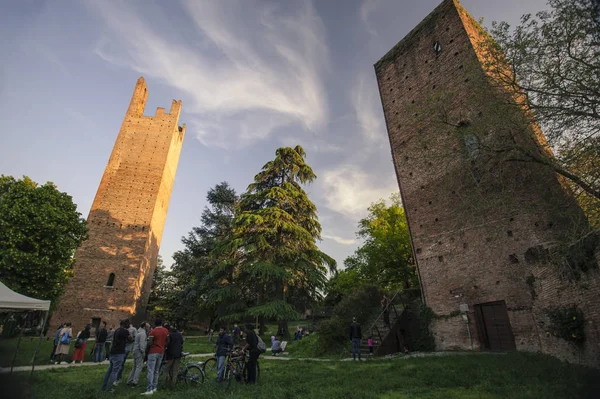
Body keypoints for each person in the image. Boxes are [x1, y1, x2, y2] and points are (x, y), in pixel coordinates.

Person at [101, 319, 133, 392]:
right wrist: (130, 335)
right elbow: (130, 339)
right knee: (114, 371)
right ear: (125, 324)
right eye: (128, 323)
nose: (129, 325)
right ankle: (109, 389)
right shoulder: (125, 331)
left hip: (113, 352)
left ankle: (104, 387)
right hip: (119, 353)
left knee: (109, 370)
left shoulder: (117, 330)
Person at [142, 319, 169, 395]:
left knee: (151, 370)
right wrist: (163, 345)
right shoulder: (165, 330)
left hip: (153, 351)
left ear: (155, 324)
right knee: (157, 370)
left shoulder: (153, 331)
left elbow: (150, 343)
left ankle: (149, 389)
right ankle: (154, 387)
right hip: (161, 351)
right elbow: (168, 340)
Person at [127, 322, 149, 388]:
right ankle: (135, 382)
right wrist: (143, 352)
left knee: (135, 367)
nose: (148, 328)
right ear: (144, 327)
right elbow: (141, 344)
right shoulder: (143, 333)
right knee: (139, 367)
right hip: (139, 351)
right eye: (148, 327)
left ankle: (129, 380)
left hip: (135, 350)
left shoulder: (138, 331)